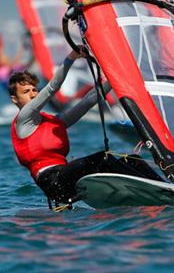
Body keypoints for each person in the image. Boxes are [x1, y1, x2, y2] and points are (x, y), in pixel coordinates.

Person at [9, 47, 160, 210]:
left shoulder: (56, 122)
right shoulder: (23, 121)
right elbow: (53, 87)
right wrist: (70, 58)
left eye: (34, 90)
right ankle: (148, 192)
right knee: (103, 158)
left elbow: (88, 101)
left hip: (66, 175)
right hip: (52, 182)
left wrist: (114, 76)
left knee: (132, 160)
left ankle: (163, 188)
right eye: (26, 92)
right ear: (15, 99)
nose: (32, 94)